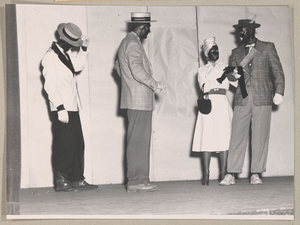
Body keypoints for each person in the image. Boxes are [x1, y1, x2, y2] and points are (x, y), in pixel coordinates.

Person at [220, 17, 285, 186]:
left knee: (260, 136)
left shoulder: (267, 47)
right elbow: (231, 73)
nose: (239, 33)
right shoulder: (236, 52)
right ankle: (230, 173)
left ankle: (256, 173)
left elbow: (278, 71)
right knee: (236, 137)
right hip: (242, 98)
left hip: (262, 97)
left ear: (250, 30)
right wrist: (232, 78)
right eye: (238, 30)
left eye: (242, 30)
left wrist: (279, 91)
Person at [41, 22, 98, 192]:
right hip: (62, 107)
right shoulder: (50, 56)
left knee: (77, 144)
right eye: (75, 45)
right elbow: (50, 85)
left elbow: (78, 66)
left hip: (72, 105)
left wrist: (84, 50)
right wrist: (59, 107)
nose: (75, 47)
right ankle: (61, 180)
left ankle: (77, 179)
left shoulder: (64, 54)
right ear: (66, 41)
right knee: (63, 144)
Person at [114, 12, 165, 193]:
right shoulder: (133, 44)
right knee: (139, 141)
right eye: (148, 28)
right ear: (142, 28)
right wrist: (154, 84)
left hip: (135, 99)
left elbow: (119, 67)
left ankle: (140, 179)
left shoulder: (126, 43)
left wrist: (129, 84)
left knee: (138, 140)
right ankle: (136, 180)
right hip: (139, 101)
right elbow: (136, 69)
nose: (149, 32)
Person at [192, 37, 237, 185]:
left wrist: (235, 75)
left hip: (223, 104)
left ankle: (224, 173)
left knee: (224, 138)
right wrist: (219, 80)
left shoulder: (225, 66)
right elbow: (204, 87)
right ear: (207, 54)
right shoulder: (202, 70)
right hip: (209, 104)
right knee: (207, 138)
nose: (215, 53)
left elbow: (235, 82)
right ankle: (206, 174)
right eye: (212, 51)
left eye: (217, 50)